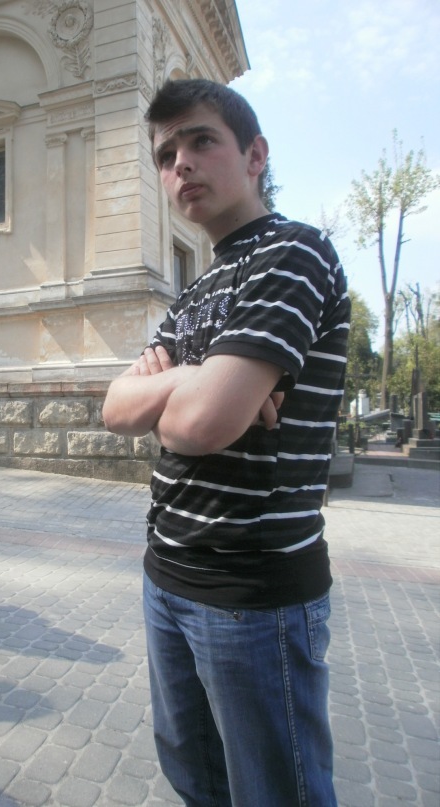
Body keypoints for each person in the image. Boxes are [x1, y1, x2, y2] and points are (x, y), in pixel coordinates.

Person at [102, 79, 350, 807]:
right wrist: (199, 379)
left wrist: (178, 391)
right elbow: (115, 408)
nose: (180, 163)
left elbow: (198, 425)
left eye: (201, 140)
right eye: (165, 154)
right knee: (197, 783)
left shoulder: (294, 253)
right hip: (166, 576)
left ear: (254, 156)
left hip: (253, 595)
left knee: (275, 793)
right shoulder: (194, 293)